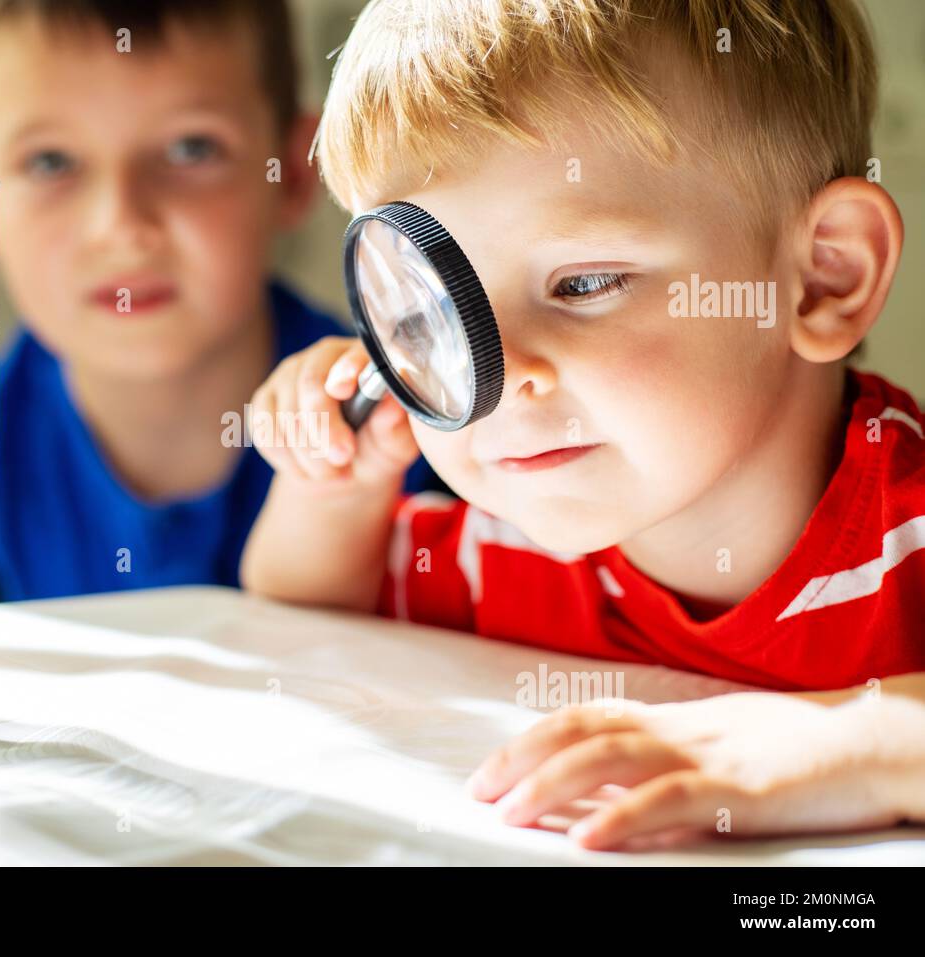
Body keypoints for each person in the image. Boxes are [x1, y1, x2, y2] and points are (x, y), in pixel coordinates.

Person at [240, 0, 925, 850]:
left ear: (825, 276)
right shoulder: (508, 541)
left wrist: (853, 739)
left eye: (584, 283)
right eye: (435, 317)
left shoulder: (912, 535)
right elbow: (300, 620)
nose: (503, 381)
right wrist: (334, 488)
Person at [0, 0, 440, 602]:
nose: (121, 224)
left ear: (301, 171)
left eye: (190, 150)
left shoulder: (420, 427)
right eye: (51, 162)